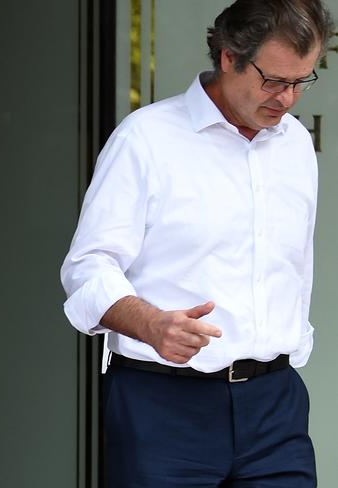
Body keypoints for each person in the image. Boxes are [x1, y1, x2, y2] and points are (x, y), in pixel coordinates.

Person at [60, 0, 335, 486]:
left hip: (276, 407)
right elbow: (87, 267)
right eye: (274, 80)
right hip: (164, 405)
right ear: (229, 56)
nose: (288, 99)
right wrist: (149, 323)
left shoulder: (293, 144)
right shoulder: (145, 140)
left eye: (301, 81)